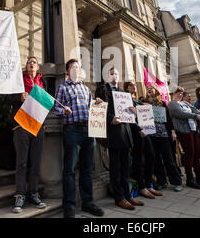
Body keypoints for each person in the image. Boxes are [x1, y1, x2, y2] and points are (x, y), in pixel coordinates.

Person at [54, 59, 105, 218]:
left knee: (87, 169)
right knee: (69, 169)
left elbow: (92, 108)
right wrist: (64, 112)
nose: (76, 69)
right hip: (72, 130)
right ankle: (69, 205)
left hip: (88, 131)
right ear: (68, 71)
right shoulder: (62, 88)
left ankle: (88, 203)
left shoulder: (86, 89)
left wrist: (97, 103)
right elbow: (56, 108)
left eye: (78, 67)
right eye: (73, 67)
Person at [95, 68, 143, 210]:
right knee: (115, 167)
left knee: (125, 166)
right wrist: (111, 119)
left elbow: (129, 110)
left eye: (116, 73)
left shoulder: (123, 93)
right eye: (111, 74)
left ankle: (128, 195)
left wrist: (133, 111)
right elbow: (101, 109)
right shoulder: (102, 90)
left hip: (126, 132)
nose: (114, 76)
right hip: (114, 132)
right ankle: (119, 197)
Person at [9, 57, 47, 213]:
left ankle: (34, 194)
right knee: (22, 163)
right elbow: (7, 98)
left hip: (38, 126)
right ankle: (20, 195)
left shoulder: (41, 83)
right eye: (29, 62)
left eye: (34, 62)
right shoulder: (19, 81)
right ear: (26, 66)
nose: (31, 64)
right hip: (22, 126)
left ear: (37, 67)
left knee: (36, 163)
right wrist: (19, 97)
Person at [168, 86, 200, 189]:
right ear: (172, 93)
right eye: (177, 92)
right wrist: (197, 117)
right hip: (183, 131)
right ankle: (189, 178)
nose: (180, 94)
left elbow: (195, 110)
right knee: (190, 153)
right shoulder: (172, 104)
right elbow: (180, 114)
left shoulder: (185, 103)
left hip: (193, 130)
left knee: (196, 153)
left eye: (181, 92)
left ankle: (199, 176)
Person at [123, 82, 160, 199]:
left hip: (146, 131)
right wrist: (138, 128)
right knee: (138, 159)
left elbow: (142, 114)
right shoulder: (125, 100)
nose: (134, 87)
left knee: (151, 156)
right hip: (135, 132)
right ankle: (142, 187)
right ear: (126, 88)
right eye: (131, 85)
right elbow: (128, 118)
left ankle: (149, 184)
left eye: (134, 85)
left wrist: (149, 117)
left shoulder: (139, 101)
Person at [145, 84, 184, 192]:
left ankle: (176, 182)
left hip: (163, 134)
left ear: (155, 90)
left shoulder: (162, 103)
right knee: (157, 159)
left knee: (169, 158)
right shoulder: (145, 103)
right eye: (147, 89)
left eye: (151, 89)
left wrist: (172, 131)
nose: (149, 90)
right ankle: (162, 181)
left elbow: (168, 119)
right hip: (152, 135)